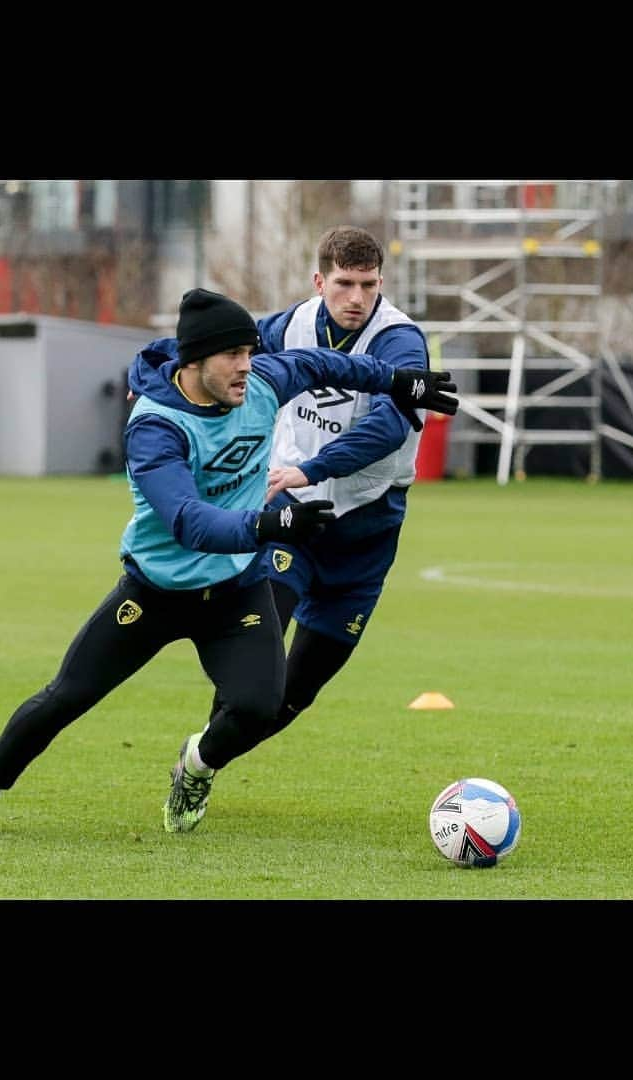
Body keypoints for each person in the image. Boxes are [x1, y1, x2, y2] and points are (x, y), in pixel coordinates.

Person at [0, 287, 456, 836]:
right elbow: (188, 521)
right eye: (232, 356)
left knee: (262, 706)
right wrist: (270, 524)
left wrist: (402, 382)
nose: (246, 366)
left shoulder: (259, 381)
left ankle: (196, 766)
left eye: (250, 352)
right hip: (156, 593)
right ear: (194, 362)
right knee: (67, 696)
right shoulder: (155, 426)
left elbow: (316, 364)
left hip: (237, 591)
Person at [191, 225, 434, 811]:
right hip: (291, 520)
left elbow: (389, 426)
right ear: (319, 281)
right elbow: (208, 350)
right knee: (258, 663)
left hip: (366, 536)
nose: (356, 298)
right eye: (344, 284)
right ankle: (196, 776)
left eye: (368, 285)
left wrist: (311, 467)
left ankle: (201, 757)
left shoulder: (400, 341)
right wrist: (146, 371)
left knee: (294, 695)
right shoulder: (284, 327)